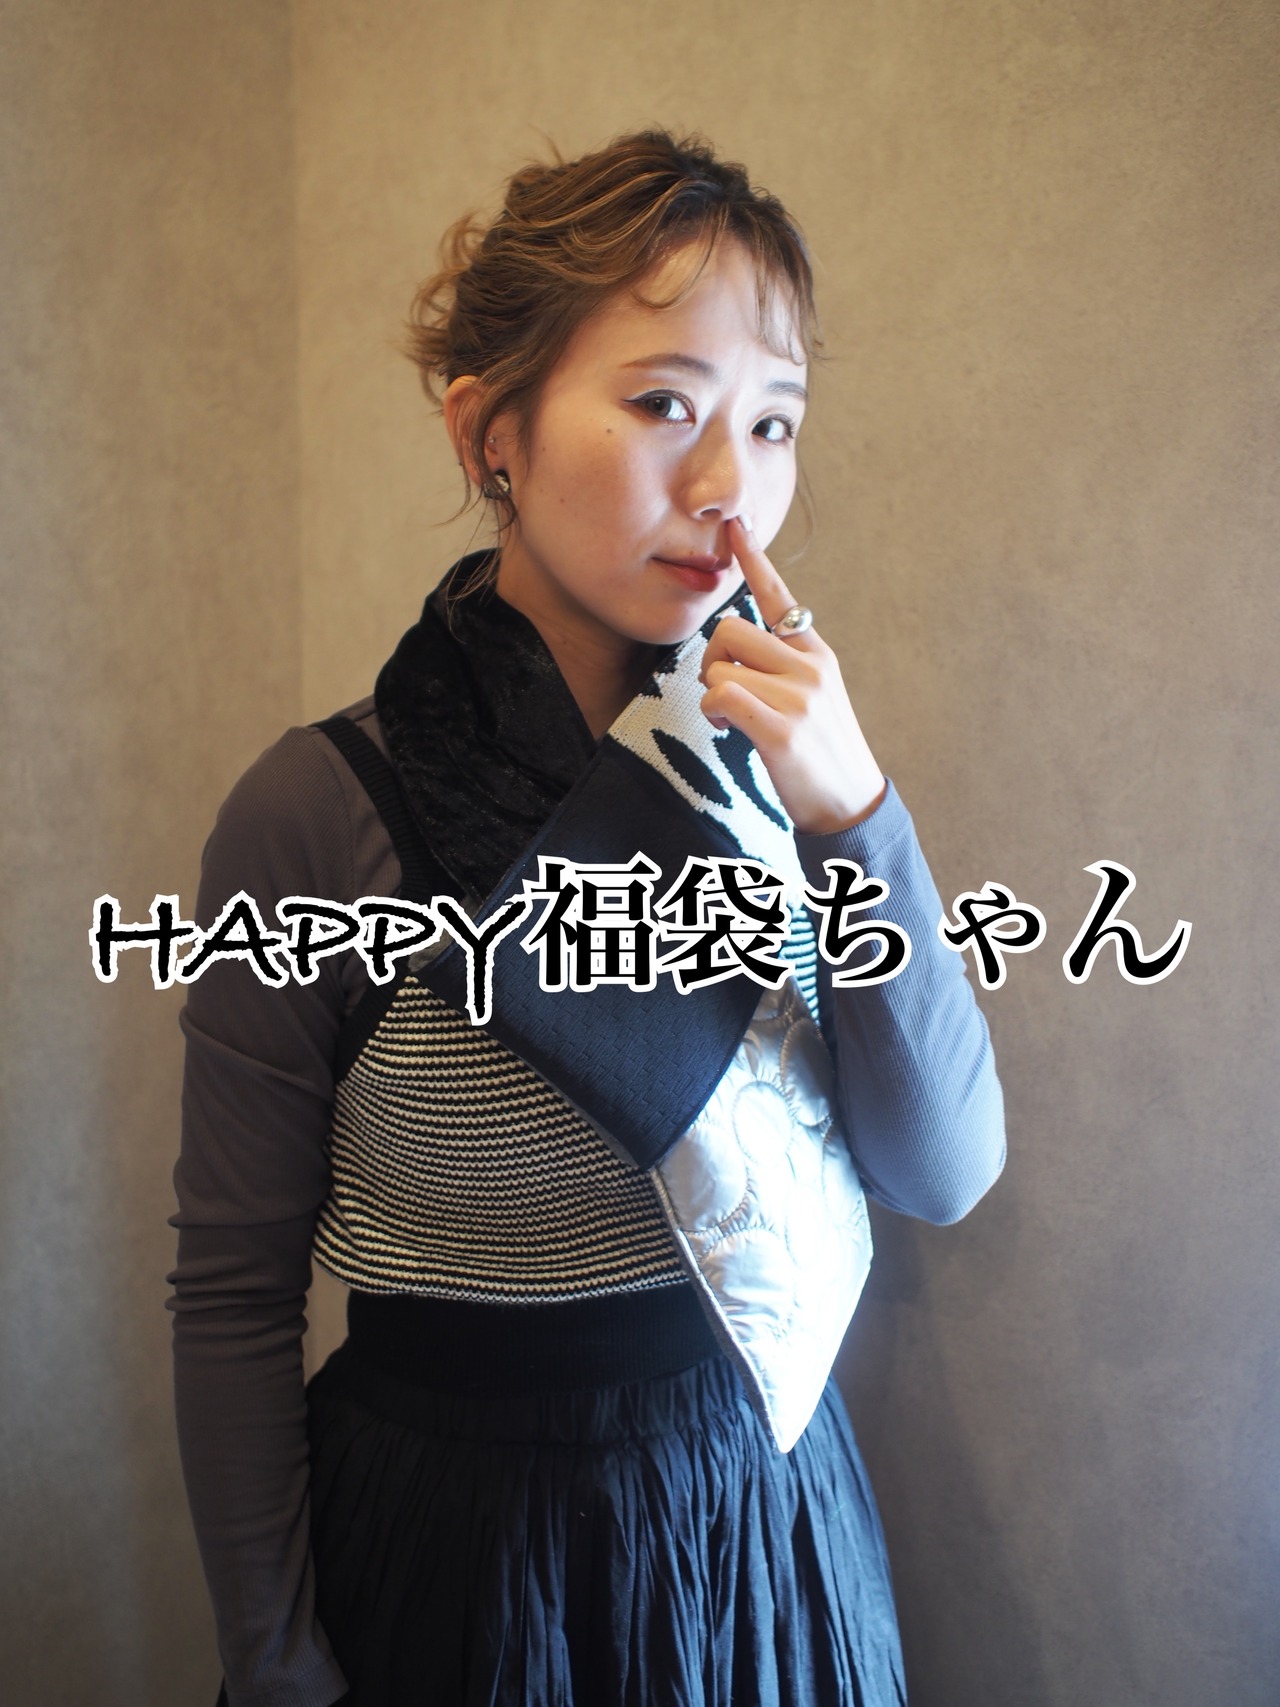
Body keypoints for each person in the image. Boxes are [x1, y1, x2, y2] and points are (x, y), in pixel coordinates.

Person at [169, 130, 1006, 1707]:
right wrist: (275, 1667)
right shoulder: (321, 812)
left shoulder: (783, 778)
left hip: (761, 1532)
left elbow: (942, 1172)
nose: (728, 485)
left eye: (772, 421)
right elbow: (232, 1293)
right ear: (489, 430)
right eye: (664, 404)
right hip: (457, 1552)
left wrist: (859, 815)